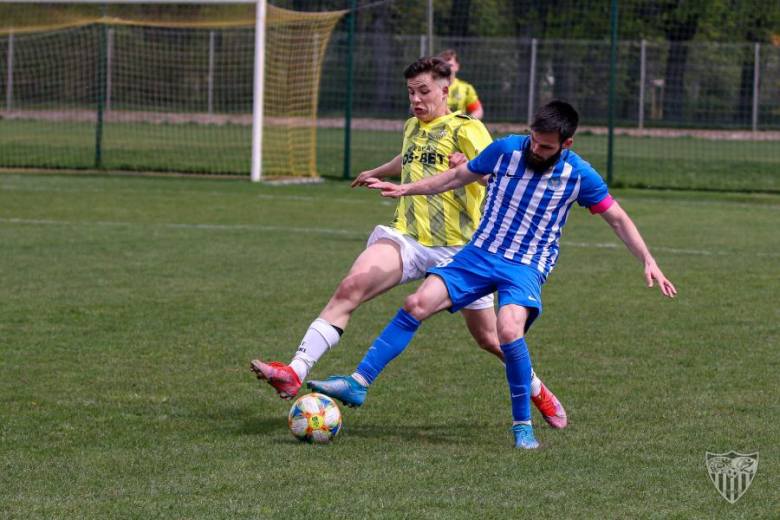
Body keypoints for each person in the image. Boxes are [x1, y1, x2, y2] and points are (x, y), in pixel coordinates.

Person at [308, 99, 677, 450]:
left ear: (567, 143)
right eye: (534, 140)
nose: (536, 150)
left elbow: (617, 218)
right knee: (416, 302)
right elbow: (455, 177)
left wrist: (648, 259)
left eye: (546, 147)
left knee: (508, 330)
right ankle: (358, 384)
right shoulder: (506, 150)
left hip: (526, 266)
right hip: (479, 254)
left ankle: (523, 427)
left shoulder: (579, 175)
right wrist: (406, 188)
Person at [250, 57, 567, 429]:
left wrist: (467, 167)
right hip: (408, 238)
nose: (416, 100)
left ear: (445, 90)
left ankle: (536, 388)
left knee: (490, 339)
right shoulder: (412, 126)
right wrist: (378, 171)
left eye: (424, 91)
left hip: (463, 252)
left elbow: (499, 179)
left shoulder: (468, 128)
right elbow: (411, 158)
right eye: (411, 92)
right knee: (350, 287)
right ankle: (294, 370)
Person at [437, 49, 483, 119]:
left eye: (450, 65)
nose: (446, 68)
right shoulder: (431, 88)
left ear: (457, 66)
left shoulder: (466, 88)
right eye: (443, 65)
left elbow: (477, 110)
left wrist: (466, 122)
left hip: (457, 128)